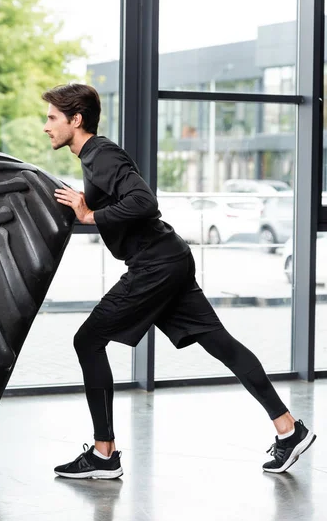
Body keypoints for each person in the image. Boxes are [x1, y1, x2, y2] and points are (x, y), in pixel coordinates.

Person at [42, 83, 316, 479]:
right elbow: (119, 204)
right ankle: (290, 430)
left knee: (87, 340)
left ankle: (104, 454)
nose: (46, 126)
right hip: (168, 259)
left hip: (155, 265)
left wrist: (91, 217)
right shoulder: (93, 156)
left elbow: (144, 201)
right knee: (220, 344)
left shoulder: (100, 154)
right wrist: (83, 211)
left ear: (76, 119)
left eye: (52, 118)